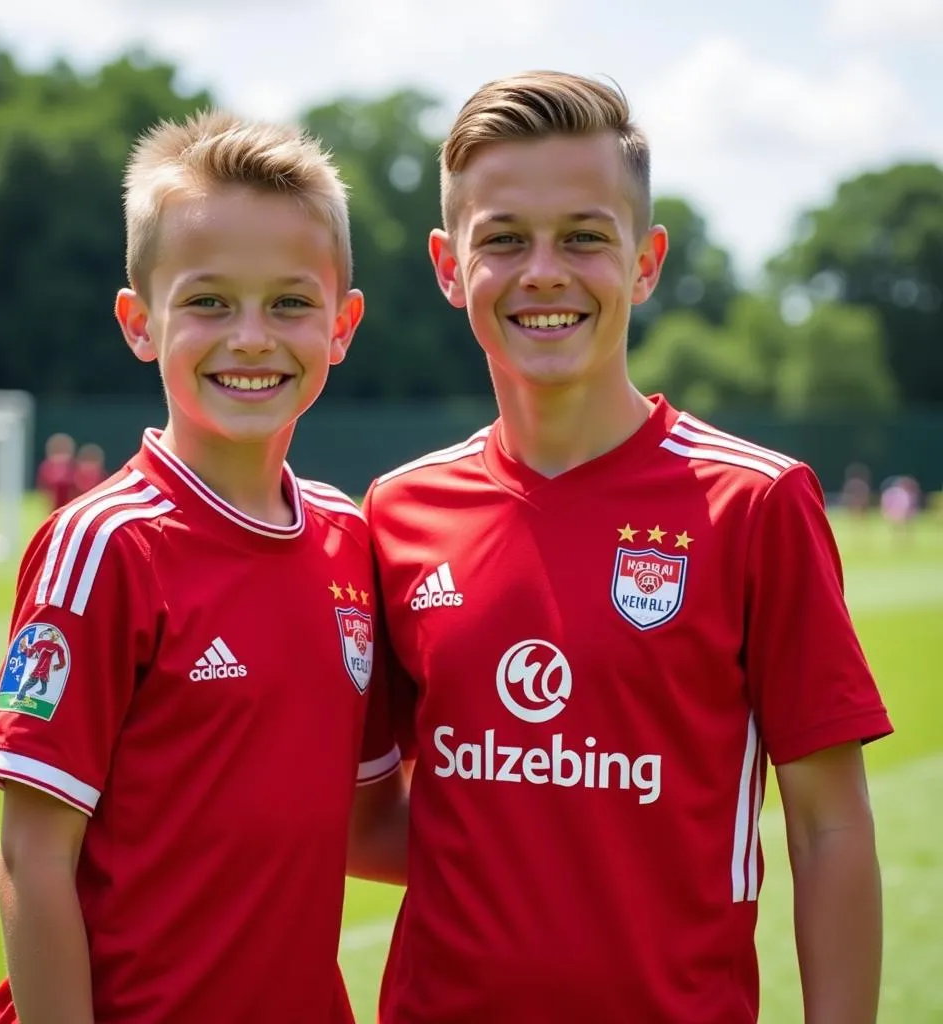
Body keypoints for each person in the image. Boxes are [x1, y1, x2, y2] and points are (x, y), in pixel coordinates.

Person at [359, 71, 892, 1023]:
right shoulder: (397, 513)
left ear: (645, 262)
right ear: (448, 266)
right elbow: (367, 816)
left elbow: (830, 828)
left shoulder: (756, 503)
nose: (545, 272)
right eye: (506, 239)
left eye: (585, 237)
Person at [0, 109, 400, 1024]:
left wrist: (595, 832)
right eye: (209, 301)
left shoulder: (348, 538)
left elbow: (370, 824)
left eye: (290, 301)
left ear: (343, 325)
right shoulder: (105, 545)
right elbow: (33, 860)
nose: (251, 336)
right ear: (140, 321)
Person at [35, 432, 77, 512]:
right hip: (53, 506)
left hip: (69, 506)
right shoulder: (47, 466)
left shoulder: (72, 466)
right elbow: (43, 487)